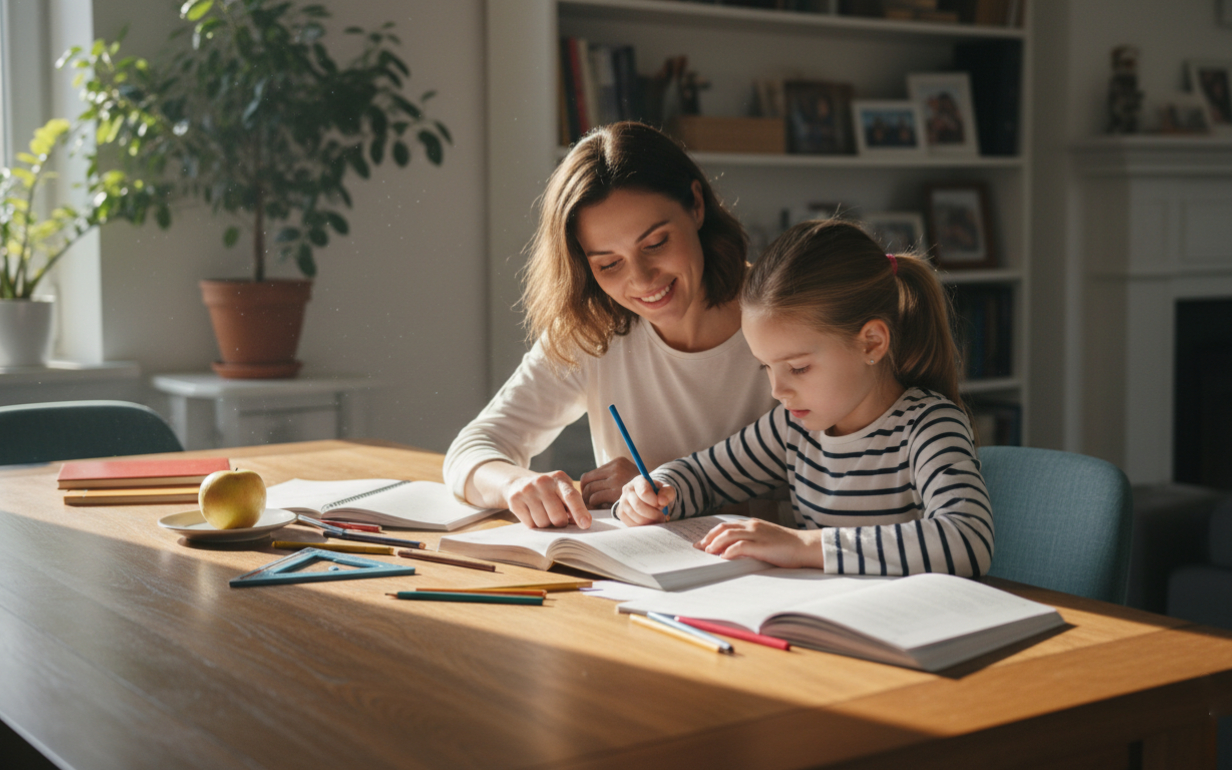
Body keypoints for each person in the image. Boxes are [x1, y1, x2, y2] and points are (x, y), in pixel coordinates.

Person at [444, 122, 778, 530]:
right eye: (609, 263)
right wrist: (517, 484)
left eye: (655, 244)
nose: (641, 279)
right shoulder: (595, 331)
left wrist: (665, 492)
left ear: (695, 204)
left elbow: (837, 494)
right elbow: (473, 450)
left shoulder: (788, 316)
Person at [617, 219, 993, 577]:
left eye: (797, 368)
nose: (777, 391)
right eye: (765, 367)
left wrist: (804, 546)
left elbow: (966, 540)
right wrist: (656, 490)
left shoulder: (928, 426)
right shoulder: (792, 428)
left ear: (871, 343)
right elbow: (706, 476)